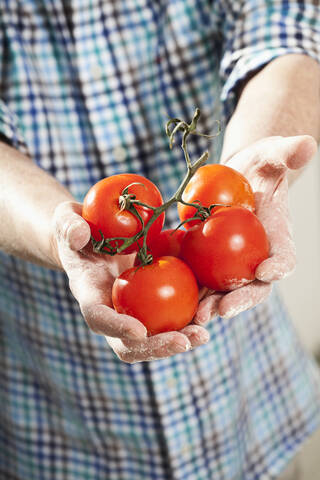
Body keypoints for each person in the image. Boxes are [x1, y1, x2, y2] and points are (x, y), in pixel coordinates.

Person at [0, 1, 319, 479]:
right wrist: (60, 235)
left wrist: (251, 164)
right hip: (60, 434)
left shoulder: (195, 217)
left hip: (259, 411)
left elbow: (282, 26)